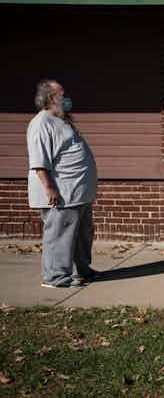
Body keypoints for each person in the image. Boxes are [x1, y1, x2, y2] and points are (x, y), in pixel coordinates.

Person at [27, 79, 98, 288]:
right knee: (59, 237)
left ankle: (81, 272)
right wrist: (49, 188)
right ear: (50, 98)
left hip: (79, 192)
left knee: (82, 236)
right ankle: (55, 277)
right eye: (62, 93)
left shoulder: (62, 120)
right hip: (62, 193)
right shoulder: (41, 124)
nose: (66, 97)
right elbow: (39, 161)